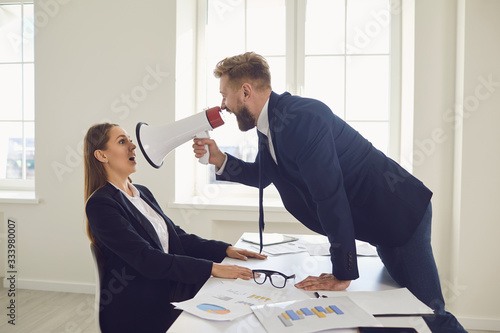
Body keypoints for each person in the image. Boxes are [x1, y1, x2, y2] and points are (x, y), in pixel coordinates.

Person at [193, 52, 467, 332]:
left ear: (245, 91)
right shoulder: (272, 124)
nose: (223, 105)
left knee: (429, 314)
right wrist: (220, 159)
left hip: (402, 215)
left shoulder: (302, 119)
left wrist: (342, 273)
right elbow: (264, 176)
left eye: (224, 96)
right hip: (379, 223)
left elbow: (330, 196)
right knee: (399, 310)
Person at [84, 123, 266, 333]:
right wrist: (212, 268)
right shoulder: (101, 204)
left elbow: (178, 238)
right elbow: (147, 258)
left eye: (130, 140)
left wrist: (224, 250)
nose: (133, 146)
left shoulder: (141, 192)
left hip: (167, 289)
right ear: (101, 155)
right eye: (122, 141)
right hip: (140, 308)